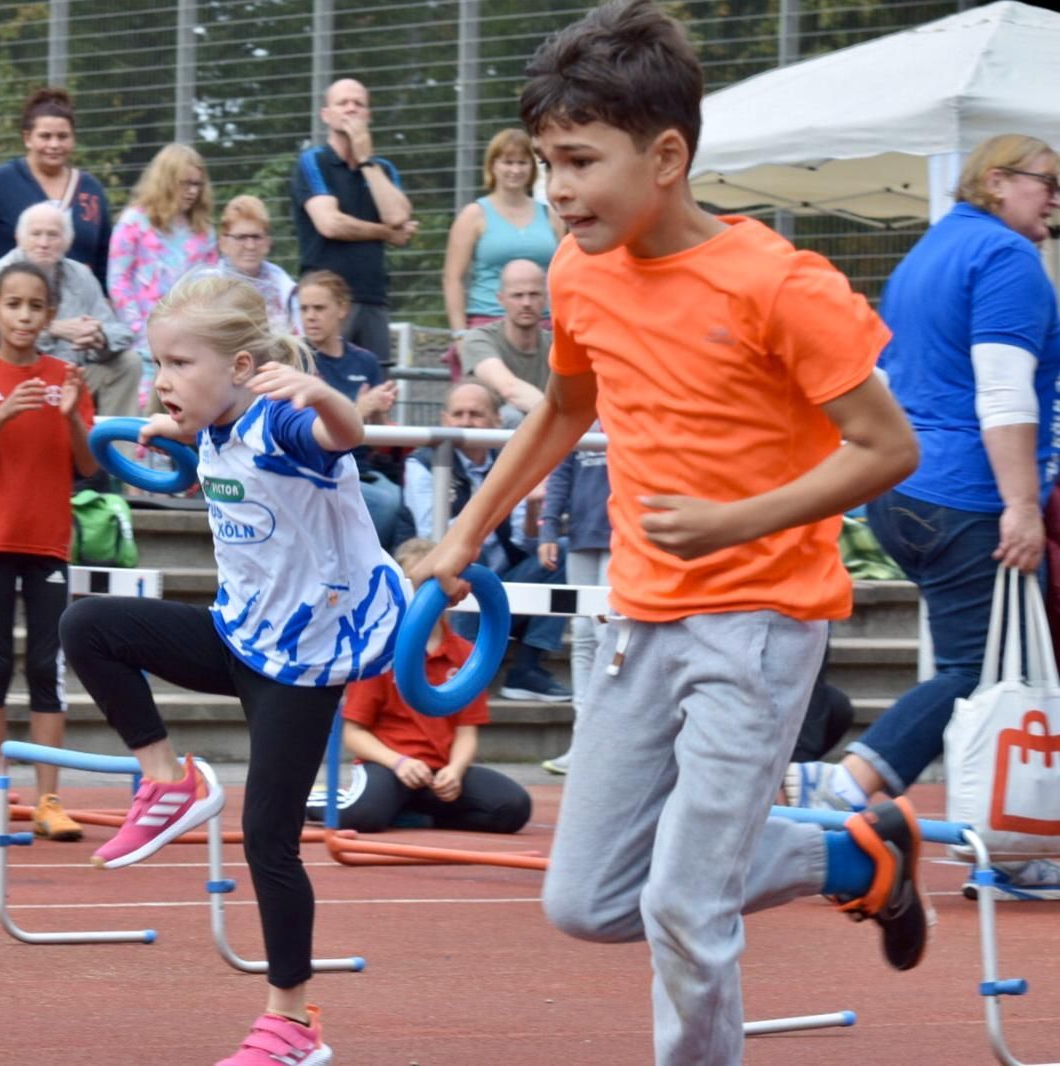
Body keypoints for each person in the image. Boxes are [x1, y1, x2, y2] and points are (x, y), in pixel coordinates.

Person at [414, 3, 927, 1062]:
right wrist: (464, 531)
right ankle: (850, 858)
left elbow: (886, 448)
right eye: (545, 164)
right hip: (639, 618)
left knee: (686, 907)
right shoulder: (576, 270)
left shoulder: (778, 283)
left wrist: (735, 520)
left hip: (761, 620)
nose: (555, 190)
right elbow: (564, 409)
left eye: (578, 162)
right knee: (588, 898)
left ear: (665, 157)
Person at [59, 272, 404, 1063]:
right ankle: (167, 781)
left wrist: (325, 395)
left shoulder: (284, 423)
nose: (163, 379)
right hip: (240, 637)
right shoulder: (216, 428)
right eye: (158, 362)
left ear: (241, 367)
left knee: (267, 839)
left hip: (304, 660)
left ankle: (291, 1025)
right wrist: (175, 432)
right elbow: (219, 460)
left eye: (180, 364)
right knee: (87, 626)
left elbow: (345, 435)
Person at [784, 134, 1060, 903]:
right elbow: (1002, 390)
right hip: (966, 491)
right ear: (997, 181)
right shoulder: (1007, 259)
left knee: (986, 671)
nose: (1055, 198)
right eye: (1047, 182)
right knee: (985, 676)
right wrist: (1021, 505)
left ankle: (1006, 849)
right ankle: (849, 786)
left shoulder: (929, 252)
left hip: (904, 489)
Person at [0, 261, 97, 842]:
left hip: (48, 542)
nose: (25, 316)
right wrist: (3, 410)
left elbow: (89, 465)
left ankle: (48, 800)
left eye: (36, 306)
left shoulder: (66, 375)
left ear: (51, 315)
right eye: (14, 304)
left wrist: (71, 417)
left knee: (46, 668)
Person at [334, 536, 531, 835]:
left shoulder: (467, 655)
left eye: (432, 586)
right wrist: (399, 762)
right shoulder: (380, 652)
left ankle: (417, 814)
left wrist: (455, 770)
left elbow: (466, 732)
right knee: (364, 815)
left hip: (438, 772)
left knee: (513, 807)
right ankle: (315, 803)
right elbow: (354, 733)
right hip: (390, 766)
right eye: (416, 585)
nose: (423, 595)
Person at [403, 382, 570, 702]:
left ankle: (527, 670)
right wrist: (487, 510)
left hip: (500, 581)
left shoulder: (510, 457)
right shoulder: (422, 462)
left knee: (557, 551)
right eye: (458, 414)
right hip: (452, 581)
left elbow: (524, 542)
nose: (466, 422)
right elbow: (432, 537)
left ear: (497, 420)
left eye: (476, 414)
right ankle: (462, 667)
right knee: (463, 562)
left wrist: (533, 508)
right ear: (444, 419)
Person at [0, 202, 137, 420]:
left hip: (72, 378)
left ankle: (114, 441)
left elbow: (119, 331)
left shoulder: (80, 275)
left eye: (53, 235)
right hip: (17, 378)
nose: (44, 243)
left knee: (128, 363)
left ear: (67, 242)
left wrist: (99, 336)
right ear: (20, 239)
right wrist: (50, 329)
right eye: (36, 234)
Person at [289, 77, 416, 361]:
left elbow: (397, 215)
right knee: (320, 382)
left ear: (368, 115)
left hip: (372, 297)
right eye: (342, 103)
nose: (351, 109)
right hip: (323, 300)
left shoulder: (383, 169)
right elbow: (330, 224)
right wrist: (386, 233)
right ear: (326, 114)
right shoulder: (313, 161)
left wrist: (366, 159)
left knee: (377, 382)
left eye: (358, 104)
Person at [0, 87, 112, 288]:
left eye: (63, 136)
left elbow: (106, 254)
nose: (54, 144)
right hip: (17, 302)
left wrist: (103, 295)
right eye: (45, 136)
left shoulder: (91, 190)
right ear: (28, 138)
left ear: (73, 138)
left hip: (78, 302)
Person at [296, 269, 401, 546]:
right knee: (386, 503)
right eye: (304, 309)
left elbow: (377, 437)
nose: (310, 316)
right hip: (317, 468)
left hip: (362, 467)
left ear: (342, 309)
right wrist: (359, 409)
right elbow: (305, 431)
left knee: (401, 498)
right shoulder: (296, 358)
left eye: (319, 308)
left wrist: (379, 410)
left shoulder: (365, 361)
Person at [107, 142, 218, 396]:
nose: (192, 191)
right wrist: (140, 330)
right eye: (185, 183)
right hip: (143, 345)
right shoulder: (133, 222)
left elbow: (211, 288)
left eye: (197, 184)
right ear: (166, 181)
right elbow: (118, 281)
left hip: (191, 342)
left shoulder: (204, 231)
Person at [536, 420, 612, 772]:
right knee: (582, 635)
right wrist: (549, 528)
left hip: (621, 535)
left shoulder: (630, 406)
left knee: (606, 633)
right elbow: (561, 473)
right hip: (583, 535)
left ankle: (606, 739)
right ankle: (583, 740)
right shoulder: (581, 415)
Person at [442, 127, 563, 342]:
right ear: (493, 165)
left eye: (522, 162)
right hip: (488, 323)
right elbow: (453, 278)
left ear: (532, 167)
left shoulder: (552, 215)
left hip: (544, 326)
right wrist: (460, 335)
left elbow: (563, 275)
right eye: (508, 162)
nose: (515, 170)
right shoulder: (473, 215)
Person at [457, 258, 553, 426]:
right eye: (517, 295)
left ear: (545, 298)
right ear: (501, 299)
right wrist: (557, 416)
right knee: (510, 416)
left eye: (534, 294)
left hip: (545, 428)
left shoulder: (556, 344)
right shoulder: (478, 339)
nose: (526, 303)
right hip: (491, 433)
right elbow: (509, 388)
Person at [216, 195, 295, 334]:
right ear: (223, 243)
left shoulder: (283, 285)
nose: (250, 246)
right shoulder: (208, 285)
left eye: (256, 237)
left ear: (268, 242)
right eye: (241, 237)